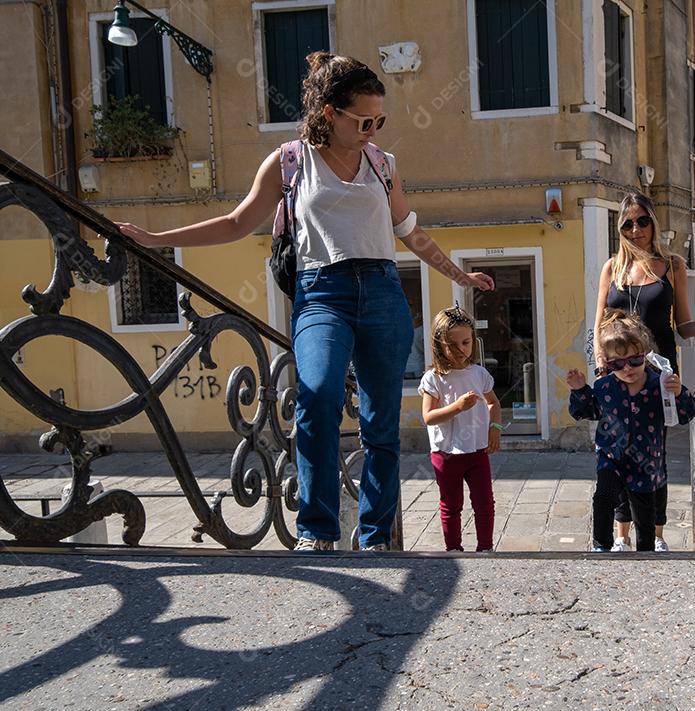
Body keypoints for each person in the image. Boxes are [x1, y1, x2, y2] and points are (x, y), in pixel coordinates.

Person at [116, 53, 493, 552]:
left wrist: (457, 273)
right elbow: (236, 222)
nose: (372, 129)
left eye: (380, 120)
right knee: (316, 399)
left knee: (381, 422)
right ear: (330, 112)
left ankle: (376, 537)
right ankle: (317, 531)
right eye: (363, 120)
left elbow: (410, 231)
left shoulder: (383, 164)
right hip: (322, 294)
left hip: (382, 291)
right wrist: (153, 238)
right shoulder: (291, 162)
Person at [594, 192, 695, 551]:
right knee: (616, 451)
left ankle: (655, 533)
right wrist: (601, 369)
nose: (636, 228)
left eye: (642, 220)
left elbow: (683, 326)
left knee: (652, 453)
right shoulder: (612, 269)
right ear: (620, 228)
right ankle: (622, 535)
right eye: (628, 223)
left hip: (656, 374)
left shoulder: (672, 265)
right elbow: (599, 326)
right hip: (618, 372)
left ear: (653, 222)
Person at [567, 310, 695, 552]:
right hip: (611, 457)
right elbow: (586, 411)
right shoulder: (605, 386)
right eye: (617, 363)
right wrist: (579, 391)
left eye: (634, 360)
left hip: (646, 464)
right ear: (607, 363)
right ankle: (601, 546)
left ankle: (646, 553)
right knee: (603, 496)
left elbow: (687, 414)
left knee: (644, 519)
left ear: (645, 354)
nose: (627, 368)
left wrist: (679, 393)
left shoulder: (659, 384)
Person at [419, 306, 501, 552]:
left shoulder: (479, 373)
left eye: (466, 342)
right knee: (451, 504)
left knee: (484, 503)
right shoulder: (433, 378)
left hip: (477, 451)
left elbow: (494, 403)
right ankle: (453, 549)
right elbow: (428, 417)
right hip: (446, 454)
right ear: (439, 344)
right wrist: (457, 407)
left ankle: (485, 548)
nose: (461, 350)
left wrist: (494, 427)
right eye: (452, 345)